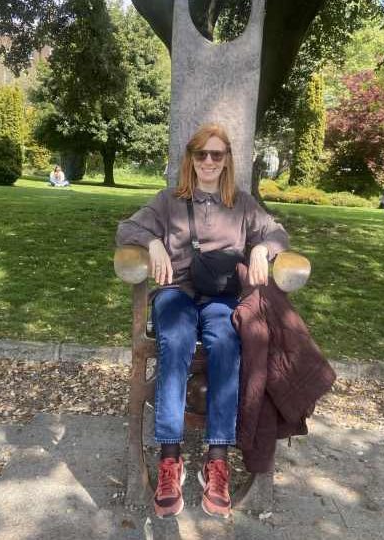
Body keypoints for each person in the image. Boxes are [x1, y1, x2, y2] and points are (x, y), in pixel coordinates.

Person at [116, 123, 289, 519]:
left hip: (220, 297)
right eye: (201, 154)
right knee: (176, 339)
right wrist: (153, 242)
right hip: (176, 293)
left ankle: (217, 460)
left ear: (226, 161)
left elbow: (278, 233)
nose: (209, 161)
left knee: (226, 344)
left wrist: (261, 248)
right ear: (191, 159)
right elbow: (127, 227)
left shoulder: (242, 204)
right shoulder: (169, 200)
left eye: (217, 154)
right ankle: (170, 458)